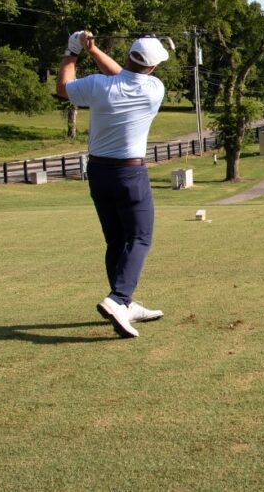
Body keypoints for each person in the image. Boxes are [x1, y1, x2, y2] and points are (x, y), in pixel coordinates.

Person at [56, 31, 169, 339]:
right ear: (154, 66)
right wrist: (91, 51)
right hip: (130, 175)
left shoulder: (97, 85)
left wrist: (76, 50)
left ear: (131, 55)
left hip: (97, 172)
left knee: (116, 242)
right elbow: (125, 76)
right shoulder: (154, 89)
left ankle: (125, 302)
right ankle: (118, 299)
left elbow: (64, 88)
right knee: (140, 238)